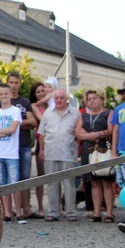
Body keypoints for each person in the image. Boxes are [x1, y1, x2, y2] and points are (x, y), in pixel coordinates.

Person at [38, 89, 80, 221]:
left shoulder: (75, 113)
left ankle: (71, 212)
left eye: (62, 98)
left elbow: (78, 133)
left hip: (68, 152)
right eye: (56, 98)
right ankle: (53, 212)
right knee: (52, 183)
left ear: (66, 98)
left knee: (69, 183)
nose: (59, 100)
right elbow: (42, 133)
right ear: (53, 99)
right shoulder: (47, 113)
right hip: (50, 151)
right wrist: (41, 150)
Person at [75, 87, 115, 223]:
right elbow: (77, 132)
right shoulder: (83, 115)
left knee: (107, 182)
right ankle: (96, 212)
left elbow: (110, 130)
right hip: (88, 151)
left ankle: (109, 212)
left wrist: (95, 134)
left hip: (104, 149)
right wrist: (89, 136)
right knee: (93, 182)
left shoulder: (108, 113)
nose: (92, 101)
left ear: (102, 99)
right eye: (89, 99)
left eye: (94, 98)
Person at [0, 84, 22, 223]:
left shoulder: (15, 111)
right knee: (3, 185)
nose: (3, 96)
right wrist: (3, 131)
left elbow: (13, 130)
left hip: (12, 154)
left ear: (10, 94)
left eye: (6, 94)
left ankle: (19, 212)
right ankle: (7, 213)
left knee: (15, 185)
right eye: (1, 94)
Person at [6, 71, 37, 218]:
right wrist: (19, 124)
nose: (13, 86)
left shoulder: (24, 103)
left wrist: (14, 124)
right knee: (8, 179)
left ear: (20, 84)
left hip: (23, 145)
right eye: (11, 82)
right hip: (7, 147)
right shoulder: (4, 102)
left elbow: (33, 122)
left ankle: (26, 209)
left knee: (24, 178)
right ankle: (10, 209)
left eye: (16, 82)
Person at [29, 81, 48, 216]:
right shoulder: (34, 106)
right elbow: (44, 120)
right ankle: (41, 207)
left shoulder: (52, 105)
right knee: (41, 177)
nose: (41, 94)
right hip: (41, 142)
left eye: (43, 91)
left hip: (53, 142)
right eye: (38, 92)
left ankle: (57, 206)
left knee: (55, 176)